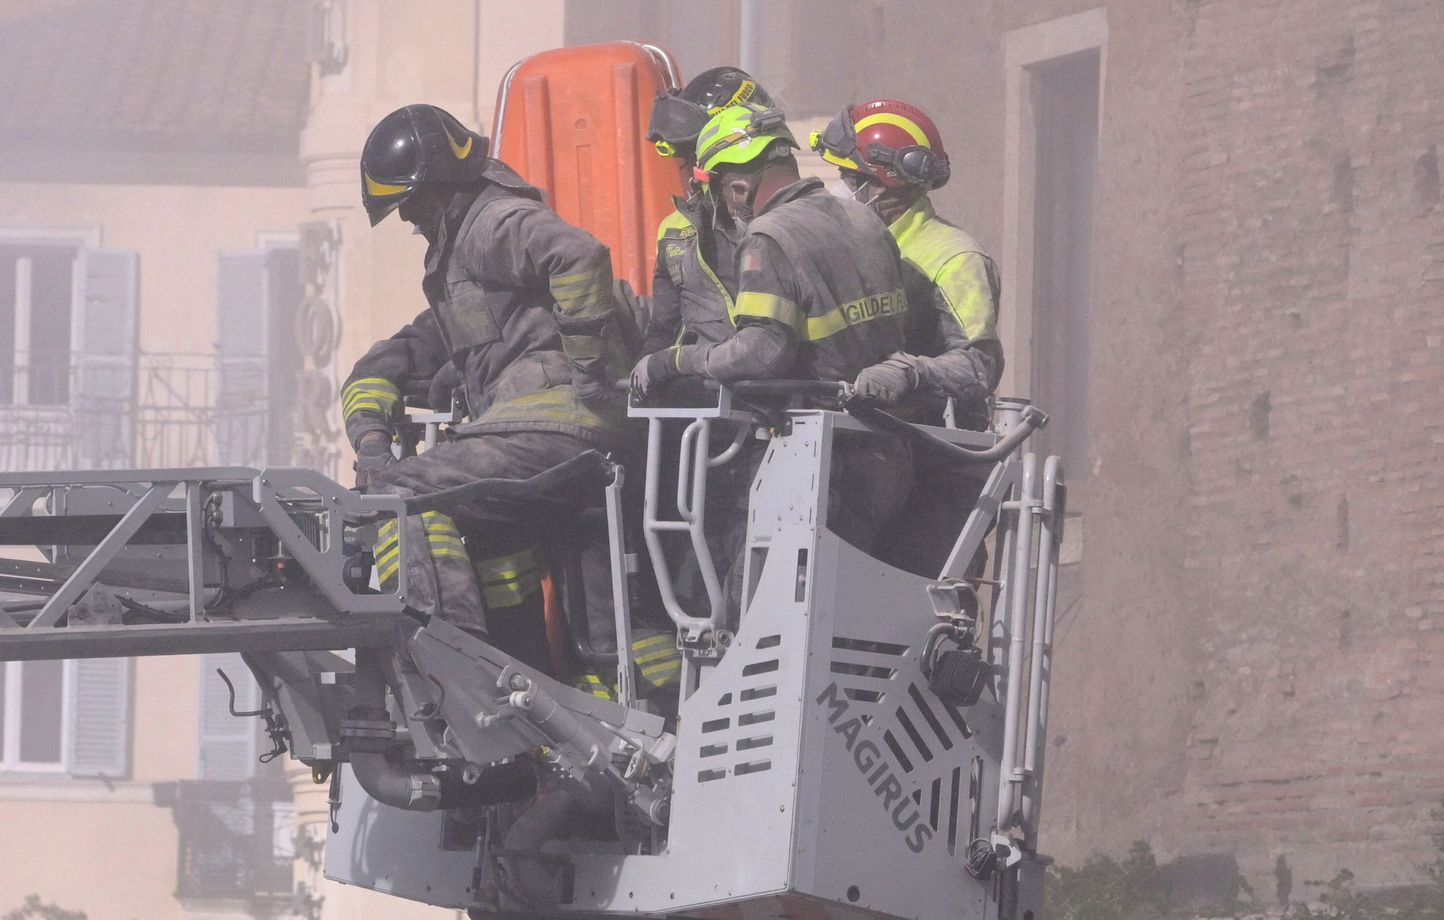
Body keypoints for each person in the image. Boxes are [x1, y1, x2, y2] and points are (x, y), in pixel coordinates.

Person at [342, 104, 635, 666]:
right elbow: (388, 361)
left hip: (554, 430)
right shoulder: (461, 273)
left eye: (412, 203)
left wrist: (590, 368)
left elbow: (578, 256)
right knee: (494, 546)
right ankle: (522, 687)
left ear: (444, 183)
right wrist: (373, 441)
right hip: (539, 437)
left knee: (396, 499)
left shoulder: (490, 222)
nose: (407, 221)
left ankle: (452, 663)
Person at [631, 104, 915, 595]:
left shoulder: (770, 235)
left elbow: (759, 353)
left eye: (720, 191)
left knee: (758, 607)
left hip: (817, 462)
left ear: (737, 187)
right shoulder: (863, 220)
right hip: (885, 451)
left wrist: (672, 361)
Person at [811, 99, 1004, 577]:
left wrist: (910, 371)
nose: (842, 189)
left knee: (910, 616)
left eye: (850, 178)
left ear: (885, 184)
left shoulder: (953, 257)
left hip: (936, 475)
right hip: (863, 459)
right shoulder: (852, 245)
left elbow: (978, 365)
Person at [642, 66, 775, 354]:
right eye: (690, 155)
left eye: (701, 154)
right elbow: (663, 329)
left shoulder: (791, 225)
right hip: (705, 385)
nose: (696, 171)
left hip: (783, 388)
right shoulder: (676, 231)